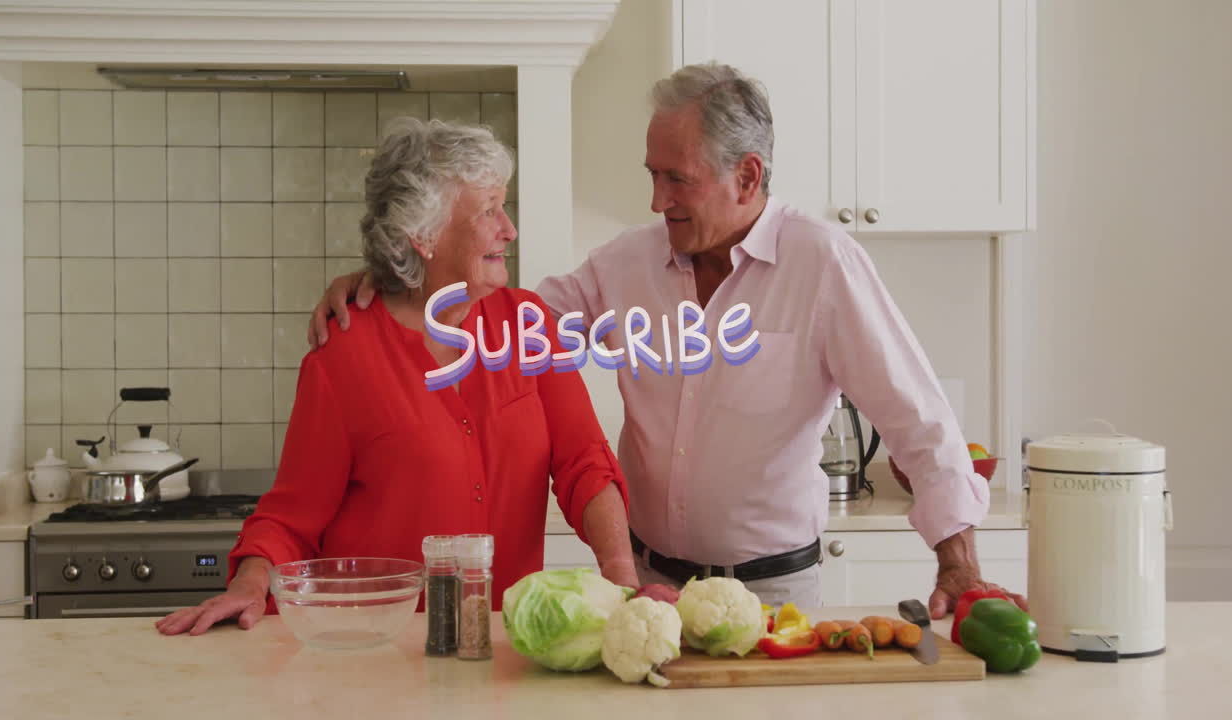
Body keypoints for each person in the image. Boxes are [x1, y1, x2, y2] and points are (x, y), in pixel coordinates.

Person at [309, 64, 1027, 615]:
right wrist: (390, 277)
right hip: (648, 589)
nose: (657, 201)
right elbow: (503, 321)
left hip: (772, 595)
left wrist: (958, 562)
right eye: (652, 177)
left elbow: (918, 419)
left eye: (676, 180)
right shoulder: (627, 263)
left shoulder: (823, 265)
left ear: (747, 176)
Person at [157, 119, 638, 637]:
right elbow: (293, 517)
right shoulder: (344, 357)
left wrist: (621, 575)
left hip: (497, 651)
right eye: (488, 210)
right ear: (423, 236)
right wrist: (248, 585)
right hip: (373, 650)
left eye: (505, 205)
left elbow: (584, 464)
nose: (509, 228)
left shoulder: (530, 326)